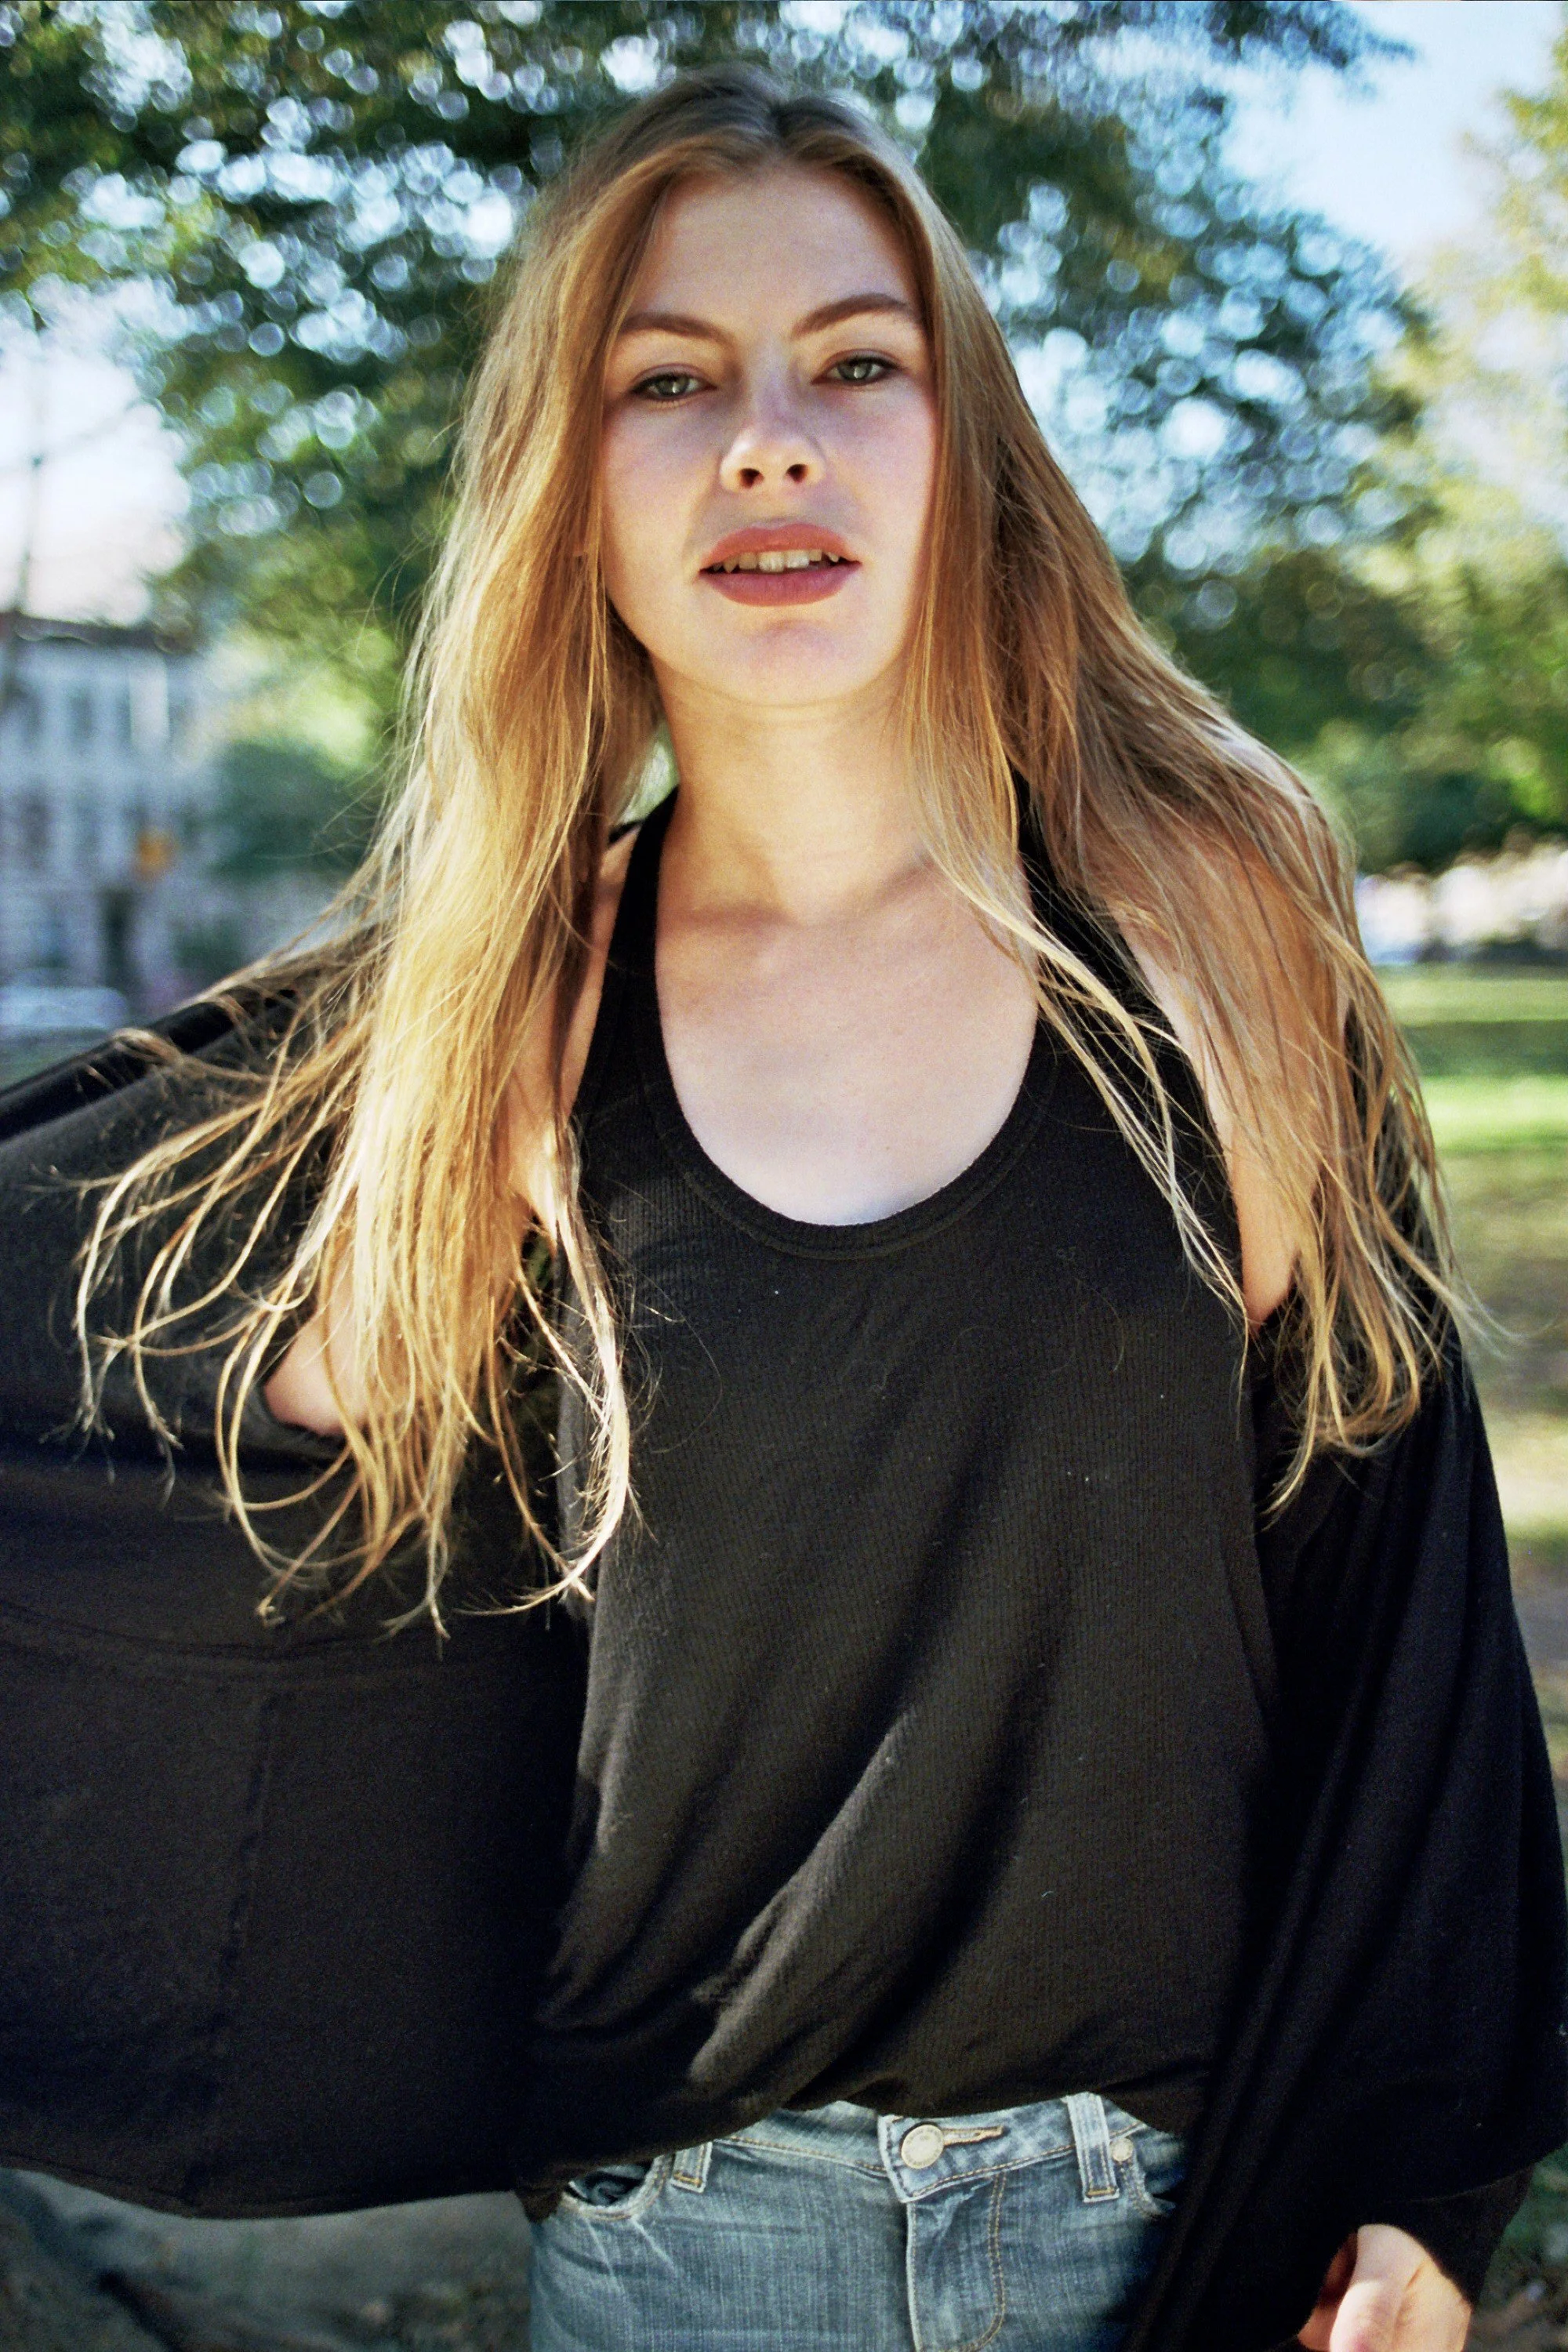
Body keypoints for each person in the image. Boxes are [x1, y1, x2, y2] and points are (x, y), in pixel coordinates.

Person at [2, 63, 1563, 2352]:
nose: (767, 443)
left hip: (1173, 2225)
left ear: (964, 443)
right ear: (573, 488)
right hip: (689, 2249)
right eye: (669, 380)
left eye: (855, 363)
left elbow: (1387, 1582)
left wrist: (1419, 2182)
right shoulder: (506, 1006)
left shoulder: (1212, 929)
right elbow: (211, 1464)